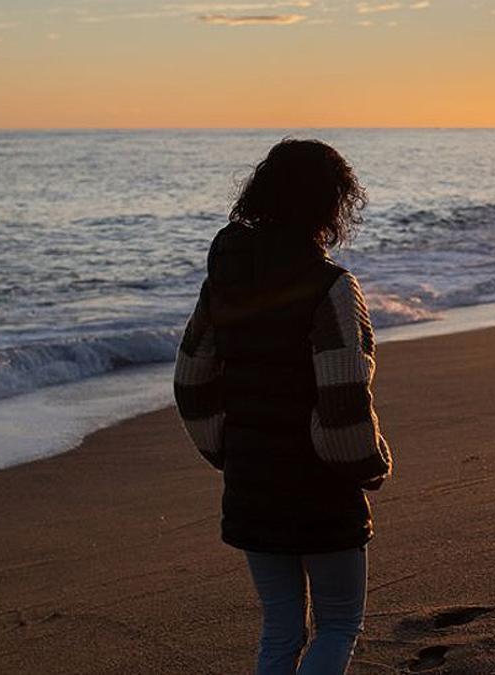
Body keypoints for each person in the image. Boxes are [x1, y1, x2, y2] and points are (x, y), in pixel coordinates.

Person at [174, 139, 393, 675]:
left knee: (281, 629)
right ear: (330, 205)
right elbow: (343, 403)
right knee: (338, 625)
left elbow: (190, 380)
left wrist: (229, 450)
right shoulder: (332, 288)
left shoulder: (223, 282)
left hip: (251, 485)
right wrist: (371, 465)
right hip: (319, 489)